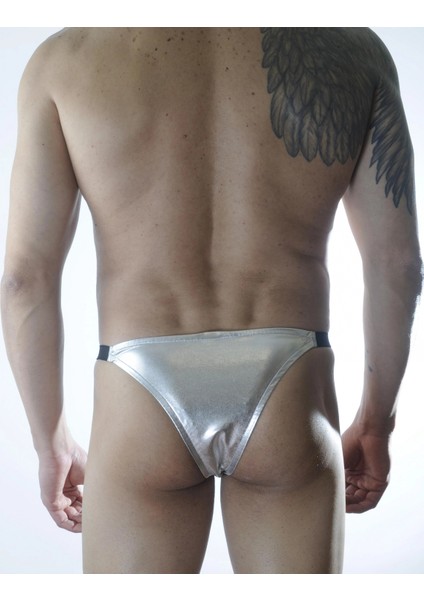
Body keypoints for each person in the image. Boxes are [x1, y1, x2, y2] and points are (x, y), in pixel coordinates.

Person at [1, 27, 421, 574]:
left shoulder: (65, 59)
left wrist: (49, 441)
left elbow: (24, 280)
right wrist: (376, 423)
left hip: (139, 394)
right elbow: (398, 266)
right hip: (291, 387)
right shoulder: (352, 49)